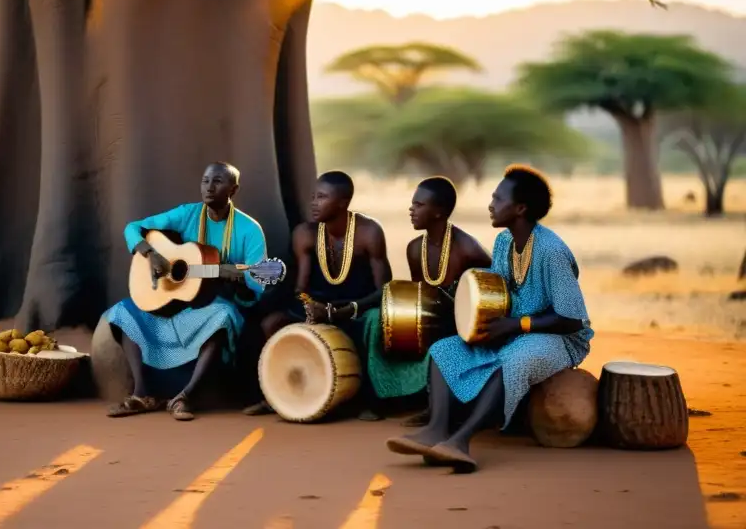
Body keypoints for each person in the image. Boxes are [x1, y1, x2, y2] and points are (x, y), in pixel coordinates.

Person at [386, 164, 593, 473]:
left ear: (520, 208)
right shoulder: (503, 243)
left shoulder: (551, 250)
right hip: (515, 330)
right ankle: (436, 430)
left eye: (498, 199)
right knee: (446, 350)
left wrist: (517, 325)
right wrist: (482, 323)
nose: (490, 205)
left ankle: (461, 441)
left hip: (559, 339)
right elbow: (496, 294)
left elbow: (572, 319)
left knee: (514, 360)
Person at [103, 162, 267, 422]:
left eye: (217, 181)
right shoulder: (187, 214)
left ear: (233, 189)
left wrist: (234, 276)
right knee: (122, 311)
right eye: (205, 180)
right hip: (173, 303)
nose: (209, 187)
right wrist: (151, 253)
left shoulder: (248, 230)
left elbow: (259, 286)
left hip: (212, 306)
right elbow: (131, 228)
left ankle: (186, 396)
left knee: (223, 316)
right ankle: (142, 394)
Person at [242, 171, 392, 420]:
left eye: (322, 197)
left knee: (376, 322)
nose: (313, 203)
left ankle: (369, 400)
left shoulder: (369, 233)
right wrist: (312, 308)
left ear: (343, 202)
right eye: (313, 197)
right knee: (272, 323)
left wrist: (344, 310)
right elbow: (300, 288)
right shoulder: (305, 233)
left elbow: (384, 291)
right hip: (318, 305)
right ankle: (275, 395)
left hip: (358, 309)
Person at [364, 176, 492, 411]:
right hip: (431, 319)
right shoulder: (415, 249)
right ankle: (384, 397)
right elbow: (419, 296)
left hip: (461, 325)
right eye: (413, 204)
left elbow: (492, 293)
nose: (411, 210)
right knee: (379, 322)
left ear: (439, 212)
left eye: (419, 205)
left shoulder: (467, 249)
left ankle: (433, 405)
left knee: (441, 339)